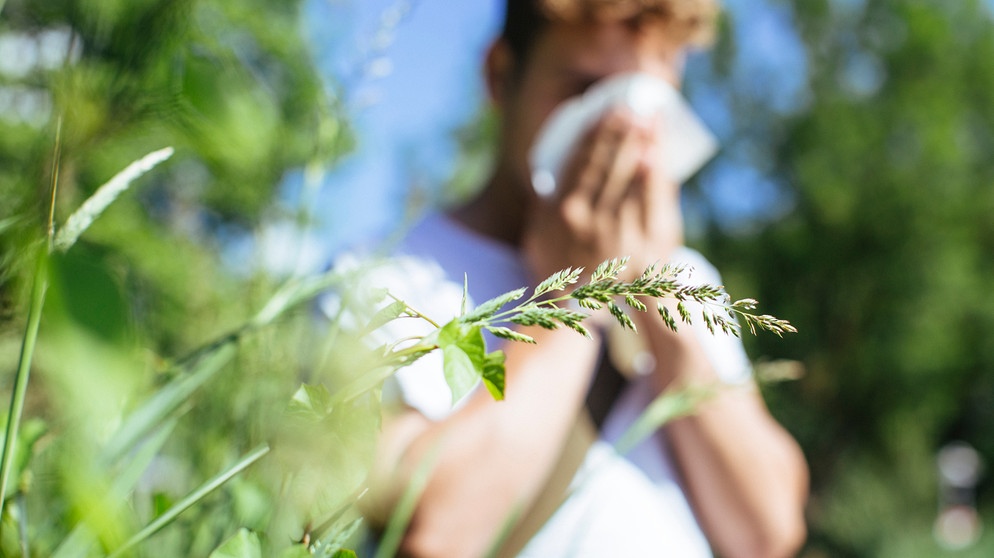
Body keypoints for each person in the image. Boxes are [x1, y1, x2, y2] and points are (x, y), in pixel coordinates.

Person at [346, 1, 809, 556]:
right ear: (500, 75)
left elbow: (770, 529)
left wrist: (658, 294)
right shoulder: (382, 278)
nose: (613, 131)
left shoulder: (690, 277)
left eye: (645, 102)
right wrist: (574, 299)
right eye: (583, 91)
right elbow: (433, 534)